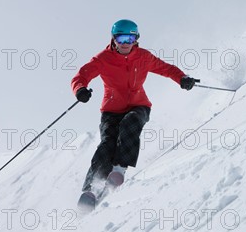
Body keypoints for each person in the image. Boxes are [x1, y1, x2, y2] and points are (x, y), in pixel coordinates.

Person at [71, 19, 197, 197]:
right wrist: (80, 90)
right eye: (121, 39)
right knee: (107, 145)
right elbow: (81, 76)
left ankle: (119, 169)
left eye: (129, 39)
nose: (125, 44)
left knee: (130, 123)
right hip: (111, 111)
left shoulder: (143, 57)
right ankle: (90, 189)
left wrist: (182, 78)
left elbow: (166, 68)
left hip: (139, 105)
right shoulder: (103, 59)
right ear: (114, 39)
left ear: (136, 39)